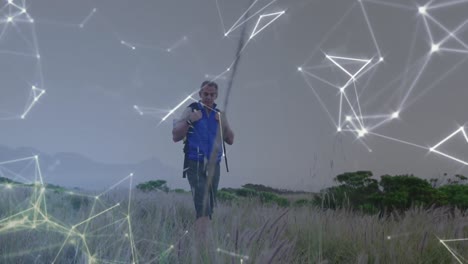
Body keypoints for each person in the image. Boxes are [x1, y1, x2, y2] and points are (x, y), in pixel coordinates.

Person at [172, 80, 234, 233]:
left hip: (214, 164)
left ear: (216, 96)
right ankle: (201, 241)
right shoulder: (191, 110)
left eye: (212, 94)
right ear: (200, 94)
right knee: (202, 203)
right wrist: (189, 120)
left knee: (210, 204)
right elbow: (175, 136)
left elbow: (231, 139)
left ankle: (204, 238)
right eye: (205, 94)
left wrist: (223, 125)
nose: (208, 97)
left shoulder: (219, 115)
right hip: (195, 162)